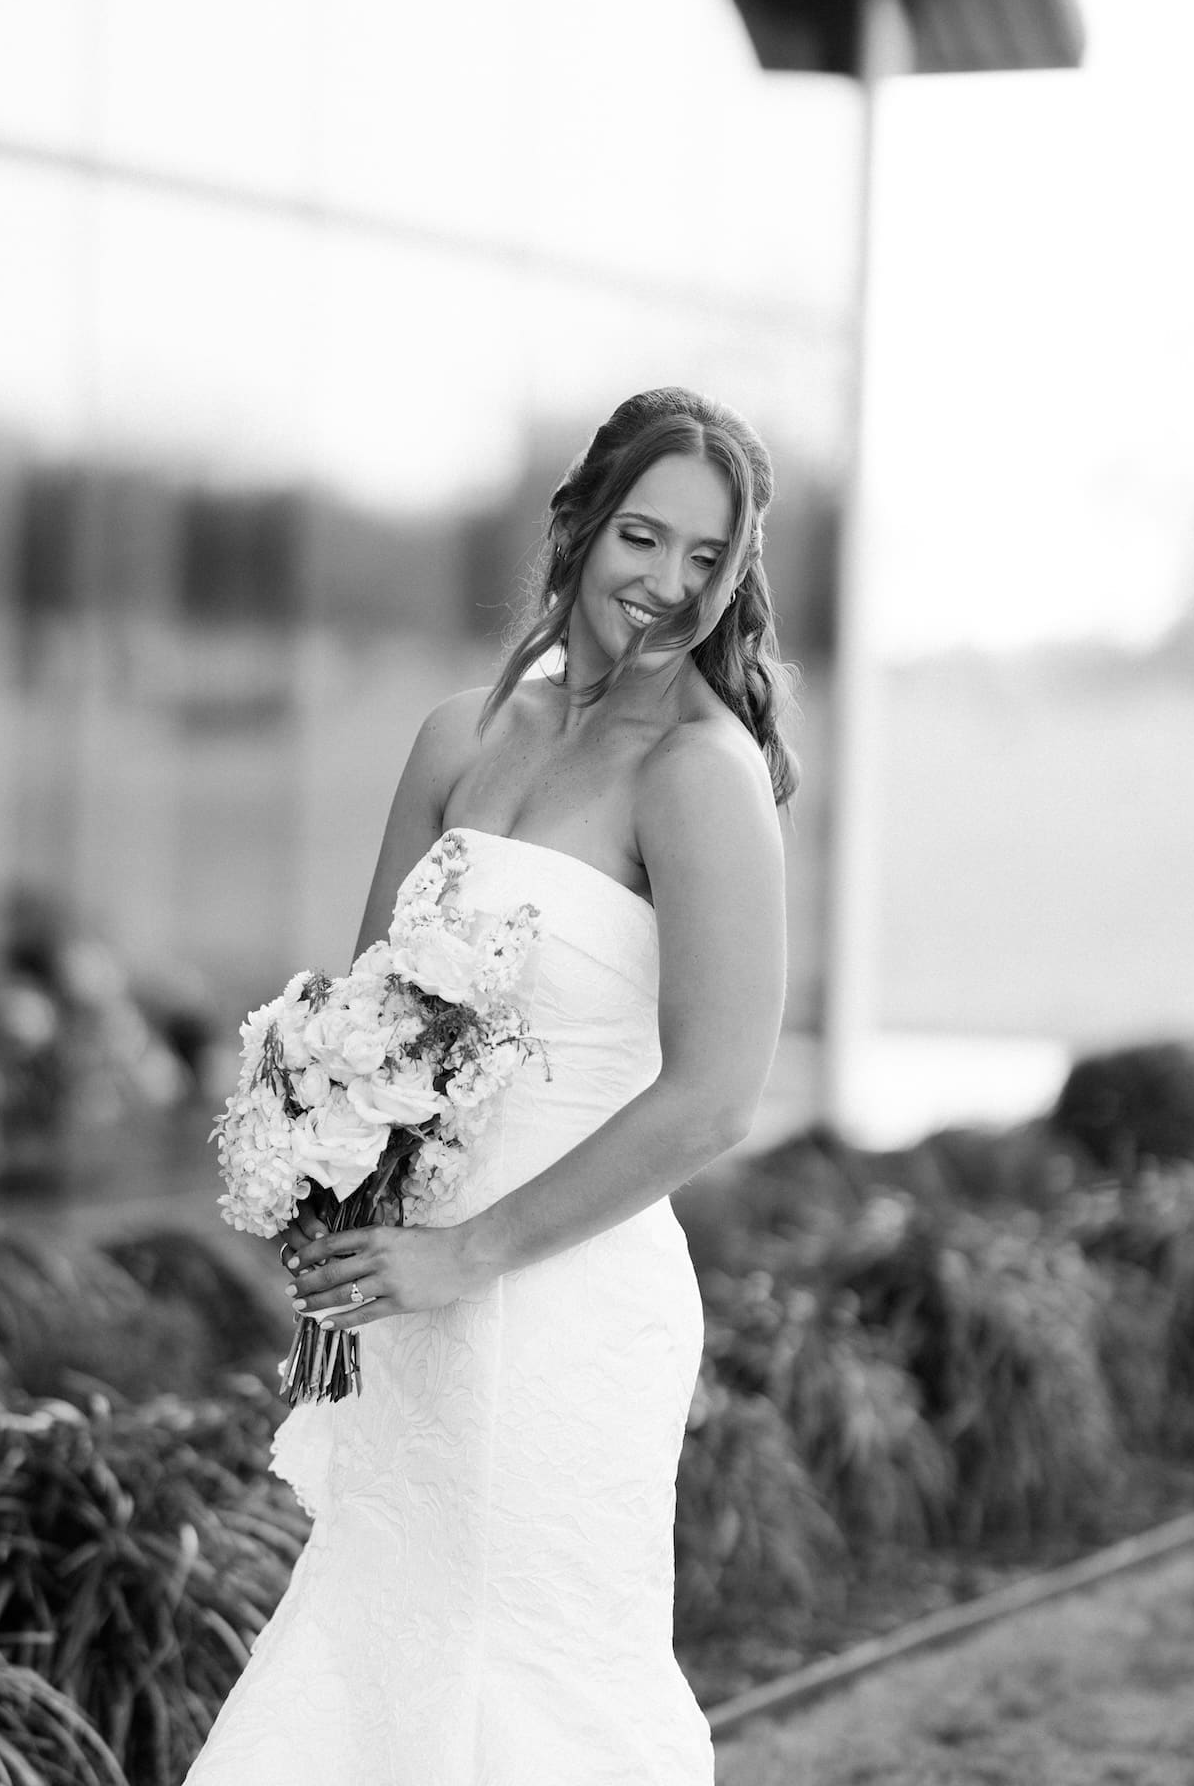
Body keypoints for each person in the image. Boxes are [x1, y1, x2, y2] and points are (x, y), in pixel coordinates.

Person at [184, 386, 793, 1786]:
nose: (671, 585)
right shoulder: (462, 735)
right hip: (413, 1297)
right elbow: (368, 1011)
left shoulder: (702, 775)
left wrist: (471, 1253)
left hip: (563, 1298)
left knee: (541, 1690)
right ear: (577, 526)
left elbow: (715, 1099)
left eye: (711, 558)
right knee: (387, 1649)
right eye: (644, 538)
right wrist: (313, 1167)